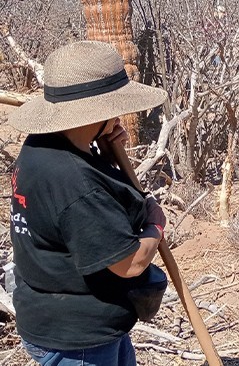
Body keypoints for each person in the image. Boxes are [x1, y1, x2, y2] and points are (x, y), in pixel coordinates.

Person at [8, 41, 169, 365]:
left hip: (67, 320)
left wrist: (106, 155)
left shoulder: (43, 145)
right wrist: (156, 224)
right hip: (77, 339)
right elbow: (130, 263)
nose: (118, 116)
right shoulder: (76, 183)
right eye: (114, 108)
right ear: (95, 112)